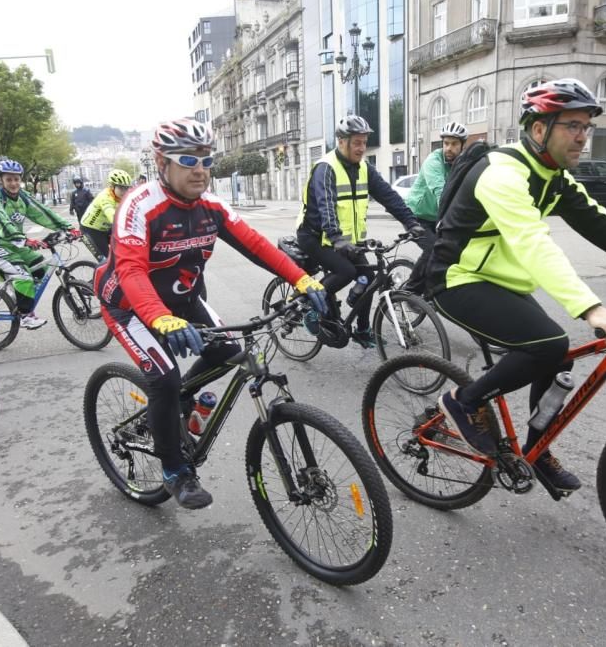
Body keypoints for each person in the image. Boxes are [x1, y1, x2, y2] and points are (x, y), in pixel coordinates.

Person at [426, 79, 606, 492]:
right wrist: (591, 308)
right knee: (547, 344)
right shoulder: (503, 172)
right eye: (572, 126)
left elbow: (594, 218)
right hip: (456, 278)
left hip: (501, 280)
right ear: (539, 130)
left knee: (558, 357)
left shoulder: (552, 173)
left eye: (587, 127)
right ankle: (464, 402)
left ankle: (538, 449)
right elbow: (533, 242)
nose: (583, 137)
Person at [95, 118, 328, 509]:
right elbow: (131, 270)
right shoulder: (139, 205)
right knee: (164, 379)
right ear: (161, 162)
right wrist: (159, 318)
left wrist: (303, 280)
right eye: (188, 160)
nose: (200, 169)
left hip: (185, 301)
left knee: (229, 352)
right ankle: (175, 472)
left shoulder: (211, 207)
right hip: (130, 306)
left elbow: (256, 245)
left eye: (206, 160)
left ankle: (179, 405)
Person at [296, 115, 424, 347]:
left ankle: (363, 331)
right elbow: (326, 205)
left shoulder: (365, 168)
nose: (362, 148)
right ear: (341, 141)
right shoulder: (326, 168)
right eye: (357, 142)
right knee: (345, 271)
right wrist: (336, 237)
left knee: (368, 277)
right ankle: (308, 304)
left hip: (346, 241)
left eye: (364, 142)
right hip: (315, 236)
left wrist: (410, 222)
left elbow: (389, 196)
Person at [0, 159, 79, 330]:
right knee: (23, 275)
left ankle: (18, 293)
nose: (14, 183)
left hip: (12, 245)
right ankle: (25, 316)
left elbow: (42, 213)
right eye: (9, 179)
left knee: (40, 269)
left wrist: (67, 227)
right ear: (1, 180)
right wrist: (24, 240)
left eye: (16, 179)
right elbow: (0, 220)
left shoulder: (22, 197)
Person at [402, 121, 468, 295]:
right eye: (446, 143)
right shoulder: (434, 160)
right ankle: (410, 291)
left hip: (434, 217)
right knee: (432, 248)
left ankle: (431, 286)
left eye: (454, 144)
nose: (449, 148)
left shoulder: (461, 163)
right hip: (415, 215)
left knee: (448, 250)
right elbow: (440, 192)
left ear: (462, 146)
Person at [80, 169, 131, 261]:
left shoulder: (122, 197)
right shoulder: (105, 197)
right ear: (112, 186)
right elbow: (112, 216)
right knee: (106, 261)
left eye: (126, 188)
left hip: (106, 228)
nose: (124, 191)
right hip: (91, 230)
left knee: (127, 246)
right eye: (121, 188)